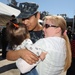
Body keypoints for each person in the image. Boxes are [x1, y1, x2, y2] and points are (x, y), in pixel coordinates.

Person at [6, 2, 44, 75]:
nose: (25, 22)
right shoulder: (20, 32)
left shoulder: (49, 32)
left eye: (28, 18)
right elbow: (8, 55)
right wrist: (20, 53)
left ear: (38, 15)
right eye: (23, 19)